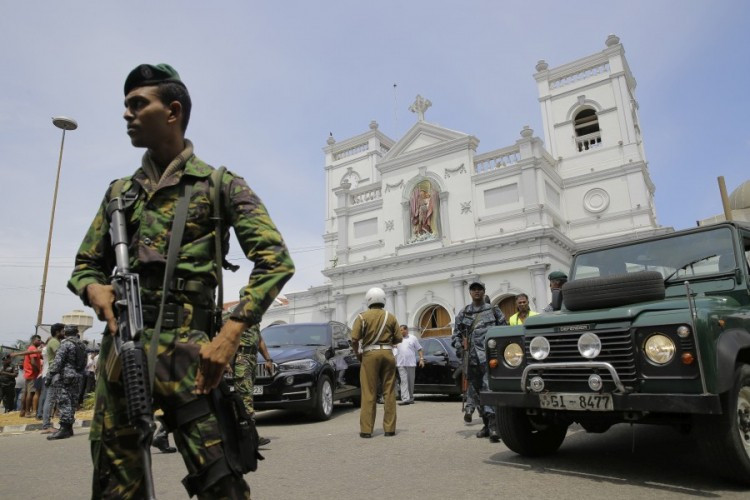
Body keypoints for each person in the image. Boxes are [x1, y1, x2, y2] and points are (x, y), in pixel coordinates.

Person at [67, 63, 294, 499]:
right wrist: (93, 288)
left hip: (193, 357)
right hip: (124, 353)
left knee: (221, 484)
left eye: (138, 104)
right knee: (116, 487)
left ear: (172, 111)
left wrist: (230, 334)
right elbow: (85, 265)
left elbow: (275, 260)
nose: (127, 115)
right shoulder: (120, 194)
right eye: (126, 106)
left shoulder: (219, 185)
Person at [451, 281, 506, 442]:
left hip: (489, 358)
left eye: (479, 289)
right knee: (476, 391)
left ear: (484, 291)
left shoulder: (493, 310)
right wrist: (460, 346)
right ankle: (486, 425)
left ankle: (494, 426)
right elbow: (455, 336)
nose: (476, 292)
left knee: (488, 389)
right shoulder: (464, 313)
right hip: (471, 359)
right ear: (470, 292)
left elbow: (504, 330)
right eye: (473, 289)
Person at [351, 287, 402, 438]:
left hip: (369, 354)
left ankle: (367, 430)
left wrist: (357, 353)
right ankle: (390, 429)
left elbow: (354, 339)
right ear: (383, 300)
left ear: (368, 300)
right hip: (387, 353)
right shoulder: (391, 317)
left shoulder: (361, 317)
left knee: (369, 392)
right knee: (389, 391)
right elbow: (399, 339)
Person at [233, 321, 273, 446]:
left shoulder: (254, 320)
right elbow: (229, 338)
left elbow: (259, 339)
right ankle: (250, 436)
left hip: (252, 358)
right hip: (241, 358)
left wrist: (268, 359)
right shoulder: (236, 316)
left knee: (247, 397)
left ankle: (243, 435)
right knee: (245, 398)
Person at [46, 325, 87, 440]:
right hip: (78, 375)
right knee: (72, 402)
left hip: (66, 376)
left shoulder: (66, 344)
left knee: (64, 401)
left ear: (65, 333)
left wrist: (49, 376)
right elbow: (84, 362)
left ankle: (64, 429)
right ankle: (69, 428)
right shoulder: (81, 344)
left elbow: (57, 362)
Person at [40, 323, 65, 433]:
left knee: (52, 399)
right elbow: (60, 357)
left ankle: (48, 424)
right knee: (50, 400)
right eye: (62, 331)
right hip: (54, 373)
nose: (64, 333)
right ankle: (46, 426)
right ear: (57, 332)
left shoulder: (56, 341)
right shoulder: (54, 342)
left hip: (53, 373)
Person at [393, 325, 424, 405]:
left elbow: (419, 349)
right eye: (399, 330)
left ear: (406, 330)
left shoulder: (413, 338)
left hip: (411, 363)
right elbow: (394, 350)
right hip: (401, 364)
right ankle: (405, 399)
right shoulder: (397, 339)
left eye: (401, 330)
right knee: (403, 381)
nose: (400, 332)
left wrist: (421, 359)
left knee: (410, 381)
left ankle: (410, 398)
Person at [19, 334, 42, 417]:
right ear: (33, 341)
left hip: (28, 373)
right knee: (31, 393)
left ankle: (23, 411)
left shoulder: (30, 348)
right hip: (32, 373)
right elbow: (33, 362)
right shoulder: (33, 349)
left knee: (25, 393)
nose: (39, 342)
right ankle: (28, 411)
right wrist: (38, 370)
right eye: (38, 340)